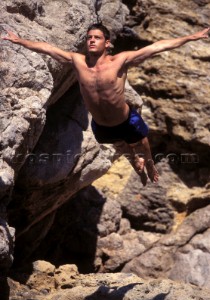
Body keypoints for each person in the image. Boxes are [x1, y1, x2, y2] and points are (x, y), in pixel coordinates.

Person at [2, 24, 209, 186]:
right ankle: (134, 163)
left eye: (97, 38)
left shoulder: (121, 60)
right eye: (89, 38)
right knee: (121, 146)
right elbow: (47, 49)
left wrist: (191, 37)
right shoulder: (78, 61)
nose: (91, 41)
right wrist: (19, 41)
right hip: (101, 125)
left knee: (142, 142)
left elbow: (157, 47)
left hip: (126, 119)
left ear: (107, 43)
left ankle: (148, 163)